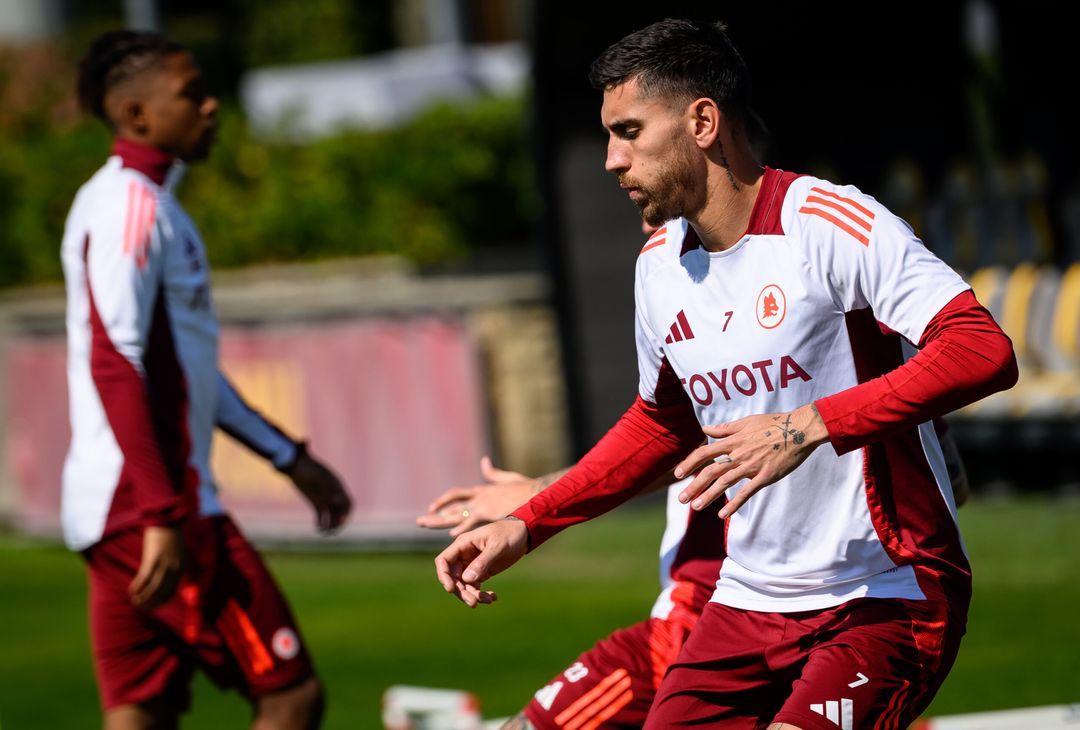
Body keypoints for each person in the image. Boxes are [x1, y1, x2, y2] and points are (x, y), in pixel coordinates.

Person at [435, 18, 1017, 730]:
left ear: (702, 122)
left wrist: (806, 426)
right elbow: (660, 424)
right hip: (746, 605)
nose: (611, 161)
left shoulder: (830, 221)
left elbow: (982, 348)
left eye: (628, 132)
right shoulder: (657, 267)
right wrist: (527, 524)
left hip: (885, 592)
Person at [61, 30, 351, 729]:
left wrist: (289, 457)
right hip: (153, 506)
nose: (212, 106)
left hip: (121, 507)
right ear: (136, 116)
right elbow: (114, 359)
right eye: (192, 95)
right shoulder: (130, 208)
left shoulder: (144, 204)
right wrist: (162, 514)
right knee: (290, 695)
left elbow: (188, 374)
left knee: (144, 710)